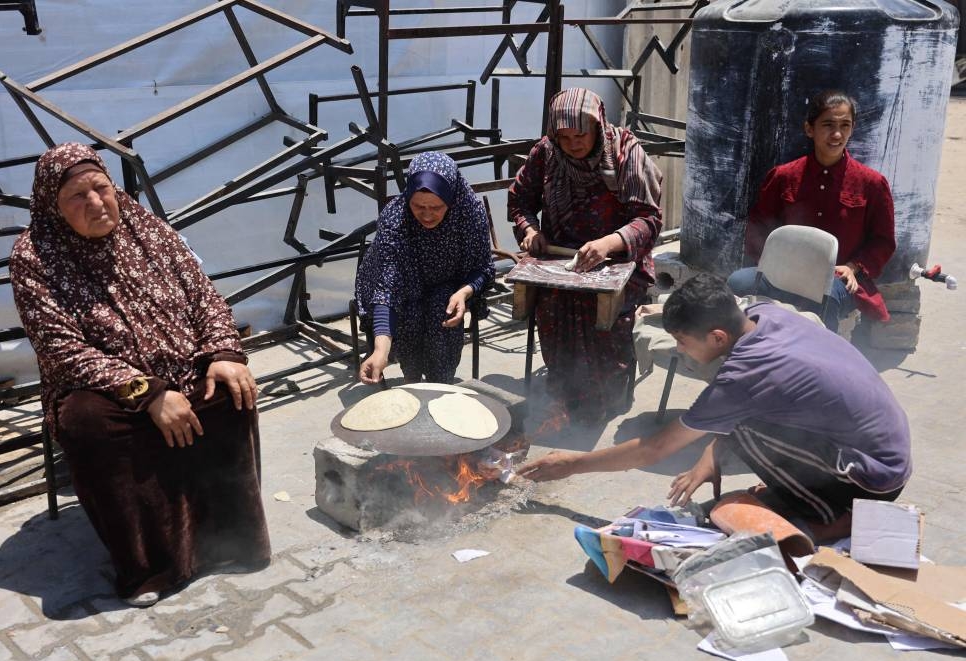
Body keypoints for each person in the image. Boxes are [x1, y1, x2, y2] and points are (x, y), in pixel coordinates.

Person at [10, 143, 270, 607]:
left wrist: (223, 352)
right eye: (76, 196)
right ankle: (152, 567)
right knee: (88, 424)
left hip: (180, 362)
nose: (95, 203)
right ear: (53, 205)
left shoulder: (146, 226)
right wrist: (147, 393)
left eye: (101, 188)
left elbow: (201, 292)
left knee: (231, 389)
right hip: (102, 387)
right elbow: (60, 347)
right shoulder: (35, 256)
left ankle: (229, 542)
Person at [517, 274, 911, 542]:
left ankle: (833, 516)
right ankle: (804, 491)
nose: (681, 350)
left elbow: (654, 448)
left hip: (871, 478)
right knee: (739, 424)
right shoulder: (764, 313)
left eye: (684, 342)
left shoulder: (744, 375)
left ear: (718, 336)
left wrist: (571, 464)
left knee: (745, 427)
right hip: (877, 448)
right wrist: (711, 458)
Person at [508, 87, 663, 421]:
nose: (573, 144)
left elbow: (648, 219)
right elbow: (520, 201)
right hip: (561, 259)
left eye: (581, 134)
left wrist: (607, 243)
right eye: (564, 137)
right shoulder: (545, 154)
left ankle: (607, 402)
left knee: (604, 322)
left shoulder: (624, 151)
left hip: (619, 261)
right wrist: (530, 231)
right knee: (552, 309)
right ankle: (566, 397)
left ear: (598, 125)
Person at [728, 90, 896, 332]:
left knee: (825, 298)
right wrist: (771, 264)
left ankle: (818, 360)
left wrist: (853, 267)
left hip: (836, 279)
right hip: (782, 272)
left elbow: (883, 242)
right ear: (810, 129)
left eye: (845, 125)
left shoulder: (871, 184)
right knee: (737, 282)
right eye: (828, 124)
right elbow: (759, 227)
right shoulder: (784, 177)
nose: (837, 134)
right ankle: (753, 352)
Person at [355, 151, 495, 384]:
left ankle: (440, 384)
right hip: (404, 287)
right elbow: (387, 288)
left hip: (448, 285)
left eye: (437, 207)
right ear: (408, 196)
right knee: (409, 314)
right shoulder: (395, 219)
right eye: (418, 206)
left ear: (450, 199)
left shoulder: (470, 213)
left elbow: (484, 268)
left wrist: (465, 292)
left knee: (444, 309)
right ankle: (412, 380)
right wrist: (381, 350)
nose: (427, 215)